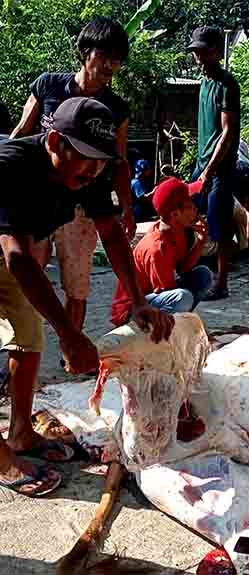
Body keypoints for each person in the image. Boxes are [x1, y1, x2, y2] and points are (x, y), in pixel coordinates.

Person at [0, 97, 173, 496]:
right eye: (86, 158)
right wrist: (69, 332)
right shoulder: (11, 166)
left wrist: (139, 301)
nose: (95, 170)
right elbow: (18, 258)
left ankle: (22, 433)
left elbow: (112, 235)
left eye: (101, 161)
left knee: (28, 334)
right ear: (56, 141)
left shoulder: (90, 173)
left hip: (12, 249)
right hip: (11, 249)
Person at [10, 16, 136, 334]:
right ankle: (25, 341)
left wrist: (127, 208)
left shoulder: (116, 109)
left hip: (83, 204)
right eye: (105, 56)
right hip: (36, 197)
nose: (111, 66)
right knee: (26, 271)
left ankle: (73, 355)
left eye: (118, 60)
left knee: (77, 284)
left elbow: (118, 162)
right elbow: (22, 133)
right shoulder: (48, 85)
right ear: (85, 52)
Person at [110, 178, 214, 325]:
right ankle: (159, 333)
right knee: (182, 298)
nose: (195, 209)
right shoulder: (157, 248)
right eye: (190, 206)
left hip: (152, 296)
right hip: (131, 310)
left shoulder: (177, 230)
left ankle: (176, 324)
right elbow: (167, 292)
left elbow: (183, 269)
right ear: (175, 214)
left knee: (203, 274)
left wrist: (201, 242)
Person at [187, 25, 241, 301]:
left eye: (203, 52)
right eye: (195, 52)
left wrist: (209, 170)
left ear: (216, 52)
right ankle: (188, 271)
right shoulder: (204, 83)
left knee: (219, 227)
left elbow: (228, 132)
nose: (198, 58)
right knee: (187, 215)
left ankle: (221, 283)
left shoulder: (227, 84)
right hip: (202, 162)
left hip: (219, 168)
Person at [131, 159, 156, 223]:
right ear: (144, 170)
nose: (150, 170)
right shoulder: (137, 182)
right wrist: (154, 191)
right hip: (135, 212)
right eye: (148, 168)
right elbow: (143, 198)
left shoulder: (140, 181)